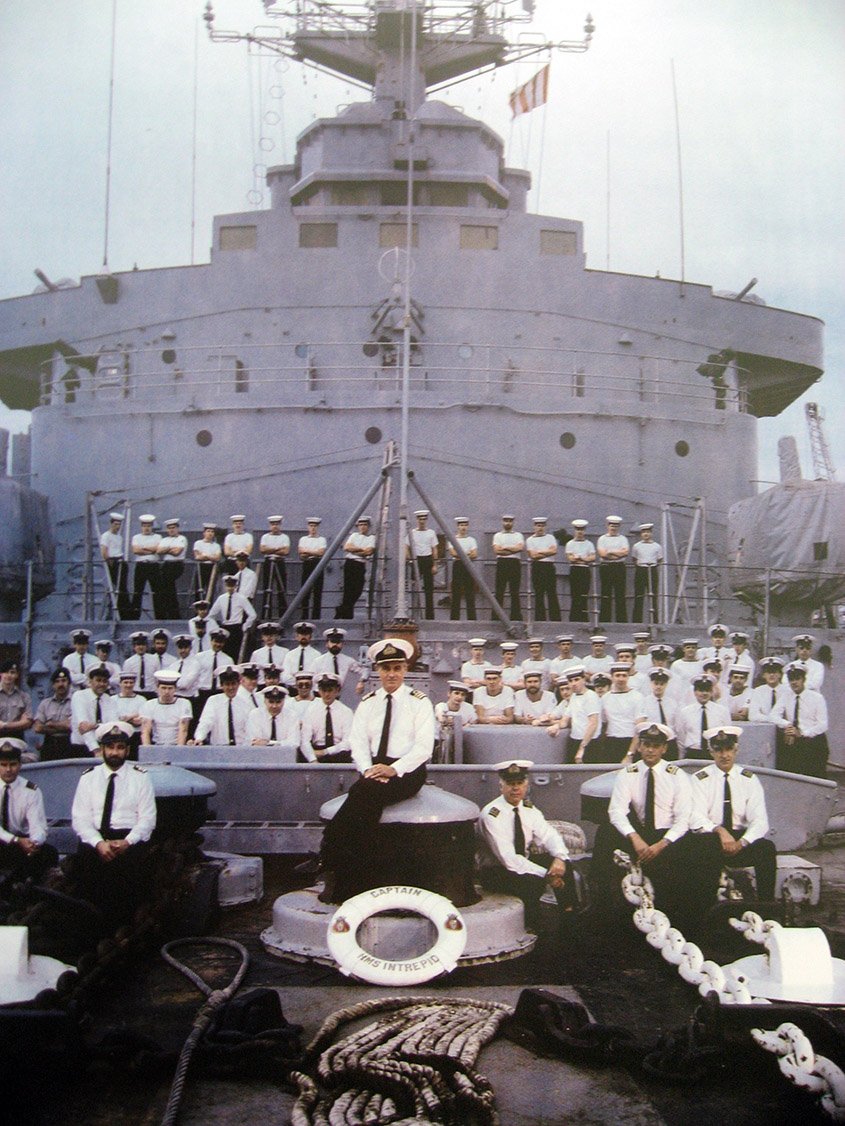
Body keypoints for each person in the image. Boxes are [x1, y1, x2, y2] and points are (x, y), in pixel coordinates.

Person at [318, 638, 434, 903]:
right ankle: (354, 876)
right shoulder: (368, 702)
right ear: (377, 671)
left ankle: (330, 852)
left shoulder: (419, 702)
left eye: (396, 667)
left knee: (362, 793)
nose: (391, 674)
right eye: (385, 668)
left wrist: (393, 769)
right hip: (373, 769)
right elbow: (357, 743)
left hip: (407, 770)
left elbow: (423, 748)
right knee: (367, 804)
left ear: (405, 669)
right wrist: (368, 768)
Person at [590, 722, 721, 931]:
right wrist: (634, 838)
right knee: (605, 832)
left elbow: (683, 818)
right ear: (640, 746)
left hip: (668, 836)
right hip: (640, 834)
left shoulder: (676, 775)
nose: (650, 749)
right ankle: (601, 904)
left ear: (664, 748)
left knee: (706, 843)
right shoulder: (628, 774)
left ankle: (701, 912)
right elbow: (616, 811)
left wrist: (661, 844)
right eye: (646, 744)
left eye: (656, 745)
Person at [70, 721, 157, 925]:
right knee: (86, 884)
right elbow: (80, 819)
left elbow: (147, 819)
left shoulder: (140, 778)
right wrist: (99, 843)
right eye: (110, 747)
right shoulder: (88, 778)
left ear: (127, 750)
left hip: (128, 840)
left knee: (129, 887)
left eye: (120, 747)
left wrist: (128, 842)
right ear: (102, 749)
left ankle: (125, 931)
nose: (115, 752)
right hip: (96, 839)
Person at [476, 759, 570, 930]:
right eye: (510, 783)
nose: (515, 788)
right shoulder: (492, 815)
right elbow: (509, 859)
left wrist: (559, 858)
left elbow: (548, 834)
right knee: (531, 882)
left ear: (526, 785)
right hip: (496, 871)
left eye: (520, 783)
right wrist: (546, 874)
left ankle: (568, 916)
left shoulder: (528, 809)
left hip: (522, 862)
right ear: (501, 785)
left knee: (565, 867)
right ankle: (530, 927)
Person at [690, 725, 777, 900]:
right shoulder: (700, 779)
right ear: (710, 751)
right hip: (712, 838)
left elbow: (760, 821)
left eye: (729, 749)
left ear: (736, 749)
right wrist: (719, 831)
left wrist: (742, 842)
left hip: (740, 839)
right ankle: (706, 905)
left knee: (767, 849)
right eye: (719, 750)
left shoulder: (749, 779)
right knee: (699, 848)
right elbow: (695, 817)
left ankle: (766, 906)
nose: (724, 755)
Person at [0, 738, 57, 883]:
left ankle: (24, 895)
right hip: (6, 839)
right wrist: (16, 840)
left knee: (48, 853)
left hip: (19, 842)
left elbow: (38, 826)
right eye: (3, 765)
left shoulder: (31, 790)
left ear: (19, 765)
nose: (8, 769)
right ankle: (8, 889)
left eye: (12, 764)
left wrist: (34, 843)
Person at [771, 661, 829, 777]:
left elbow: (823, 725)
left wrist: (802, 733)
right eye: (791, 679)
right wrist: (788, 725)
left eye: (797, 678)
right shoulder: (786, 696)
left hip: (814, 742)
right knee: (793, 776)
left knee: (815, 777)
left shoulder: (817, 698)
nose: (794, 682)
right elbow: (773, 716)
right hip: (795, 743)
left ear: (803, 679)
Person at [545, 665, 600, 763]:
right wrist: (556, 726)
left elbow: (593, 724)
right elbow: (565, 721)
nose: (573, 683)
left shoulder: (591, 696)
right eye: (571, 681)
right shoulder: (574, 696)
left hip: (589, 743)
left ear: (584, 679)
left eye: (576, 679)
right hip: (574, 740)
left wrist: (582, 748)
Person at [597, 663, 646, 763]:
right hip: (611, 743)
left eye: (624, 675)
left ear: (628, 677)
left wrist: (630, 754)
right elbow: (603, 724)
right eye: (617, 675)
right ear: (612, 677)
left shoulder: (637, 697)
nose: (621, 679)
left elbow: (640, 728)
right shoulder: (605, 698)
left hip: (631, 742)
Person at [300, 673, 354, 762]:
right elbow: (305, 740)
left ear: (337, 690)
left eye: (330, 690)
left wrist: (326, 751)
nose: (326, 694)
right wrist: (312, 759)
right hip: (316, 752)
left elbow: (348, 741)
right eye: (323, 690)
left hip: (339, 753)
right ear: (319, 691)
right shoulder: (311, 710)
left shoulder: (346, 712)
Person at [675, 674, 731, 757]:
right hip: (693, 753)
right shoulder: (685, 712)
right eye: (701, 690)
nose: (704, 693)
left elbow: (727, 734)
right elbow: (681, 736)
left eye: (707, 690)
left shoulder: (722, 711)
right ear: (694, 692)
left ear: (712, 692)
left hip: (715, 753)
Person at [193, 668, 252, 746]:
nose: (231, 687)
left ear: (238, 684)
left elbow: (250, 728)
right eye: (227, 684)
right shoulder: (213, 701)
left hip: (240, 747)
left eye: (233, 684)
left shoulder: (246, 703)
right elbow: (206, 722)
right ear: (221, 685)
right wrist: (199, 738)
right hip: (219, 747)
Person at [71, 666, 118, 754]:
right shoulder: (79, 696)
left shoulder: (110, 700)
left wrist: (95, 725)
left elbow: (114, 726)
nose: (102, 684)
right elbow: (84, 727)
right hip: (82, 748)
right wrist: (95, 749)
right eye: (98, 680)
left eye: (105, 681)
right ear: (90, 681)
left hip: (104, 746)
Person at [336, 516, 376, 619]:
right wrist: (362, 551)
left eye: (365, 525)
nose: (362, 527)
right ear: (358, 526)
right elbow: (347, 547)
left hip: (360, 565)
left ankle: (341, 611)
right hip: (350, 564)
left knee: (357, 590)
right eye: (361, 525)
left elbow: (369, 551)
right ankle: (347, 615)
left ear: (368, 526)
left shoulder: (371, 538)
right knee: (348, 591)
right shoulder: (354, 535)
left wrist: (355, 550)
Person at [209, 574, 257, 660]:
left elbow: (252, 614)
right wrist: (216, 627)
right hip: (225, 628)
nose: (230, 588)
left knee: (235, 653)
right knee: (223, 653)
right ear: (225, 586)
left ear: (236, 586)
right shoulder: (221, 598)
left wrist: (245, 626)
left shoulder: (241, 598)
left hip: (236, 628)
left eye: (232, 586)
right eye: (228, 586)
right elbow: (211, 614)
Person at [140, 670, 191, 745]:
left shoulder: (184, 703)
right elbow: (145, 731)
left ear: (175, 689)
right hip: (157, 744)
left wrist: (179, 750)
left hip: (176, 745)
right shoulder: (149, 704)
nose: (167, 691)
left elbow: (183, 729)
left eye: (170, 688)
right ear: (158, 688)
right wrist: (147, 750)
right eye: (163, 688)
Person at [33, 668, 74, 761]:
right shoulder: (45, 704)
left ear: (69, 683)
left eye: (64, 681)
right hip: (49, 744)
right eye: (57, 681)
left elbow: (71, 726)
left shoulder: (75, 702)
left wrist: (51, 724)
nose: (61, 684)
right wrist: (62, 726)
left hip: (69, 745)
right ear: (53, 685)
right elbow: (38, 728)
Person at [526, 516, 560, 621]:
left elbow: (554, 551)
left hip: (549, 567)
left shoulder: (550, 538)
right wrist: (546, 552)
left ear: (545, 527)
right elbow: (533, 556)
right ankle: (540, 619)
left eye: (542, 526)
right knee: (539, 594)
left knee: (552, 593)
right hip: (537, 567)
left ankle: (555, 619)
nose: (540, 528)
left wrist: (540, 552)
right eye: (538, 525)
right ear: (534, 527)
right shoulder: (530, 540)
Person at [312, 627, 366, 694]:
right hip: (321, 695)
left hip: (338, 695)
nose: (335, 645)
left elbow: (364, 670)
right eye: (332, 642)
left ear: (342, 644)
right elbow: (312, 682)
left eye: (338, 642)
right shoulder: (318, 661)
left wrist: (361, 681)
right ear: (327, 644)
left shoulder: (348, 660)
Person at [408, 509, 439, 619]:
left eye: (424, 519)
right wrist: (410, 559)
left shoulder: (431, 533)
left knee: (429, 589)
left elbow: (434, 548)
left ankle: (430, 616)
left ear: (426, 520)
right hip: (416, 560)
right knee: (414, 588)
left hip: (427, 560)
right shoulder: (412, 533)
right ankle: (413, 615)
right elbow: (406, 546)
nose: (422, 521)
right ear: (417, 520)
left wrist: (435, 564)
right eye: (420, 519)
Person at [597, 515, 629, 623]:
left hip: (619, 567)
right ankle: (604, 621)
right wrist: (617, 553)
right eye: (611, 525)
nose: (613, 528)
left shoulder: (623, 539)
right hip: (606, 567)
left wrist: (610, 552)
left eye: (616, 526)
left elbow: (625, 553)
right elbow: (602, 554)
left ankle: (622, 621)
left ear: (619, 526)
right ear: (607, 525)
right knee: (606, 594)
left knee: (620, 594)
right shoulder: (602, 539)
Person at [99, 511, 131, 618]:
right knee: (118, 587)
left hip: (121, 561)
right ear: (111, 524)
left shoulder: (119, 537)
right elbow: (104, 551)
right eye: (115, 524)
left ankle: (125, 611)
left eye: (119, 524)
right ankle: (123, 611)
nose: (117, 526)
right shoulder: (106, 536)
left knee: (122, 587)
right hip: (113, 562)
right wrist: (109, 562)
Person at [492, 514, 524, 621]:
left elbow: (520, 548)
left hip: (514, 563)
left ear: (513, 522)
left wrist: (505, 548)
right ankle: (496, 617)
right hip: (502, 563)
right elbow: (497, 550)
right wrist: (512, 549)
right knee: (499, 590)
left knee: (514, 591)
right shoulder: (497, 535)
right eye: (506, 521)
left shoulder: (518, 535)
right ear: (502, 522)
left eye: (510, 521)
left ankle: (516, 617)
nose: (508, 523)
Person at [130, 513, 161, 619]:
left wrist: (143, 549)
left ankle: (159, 617)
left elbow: (158, 549)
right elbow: (135, 550)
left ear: (152, 526)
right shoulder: (136, 537)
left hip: (154, 566)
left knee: (157, 592)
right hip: (141, 566)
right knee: (137, 591)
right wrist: (151, 550)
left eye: (149, 526)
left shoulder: (158, 537)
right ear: (141, 526)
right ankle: (134, 617)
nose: (146, 528)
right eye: (144, 526)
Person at [631, 522, 663, 623]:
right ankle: (637, 620)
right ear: (641, 534)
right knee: (639, 596)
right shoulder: (636, 546)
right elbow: (634, 559)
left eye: (648, 532)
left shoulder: (657, 546)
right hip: (641, 570)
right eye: (644, 532)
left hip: (652, 570)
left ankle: (654, 620)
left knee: (653, 596)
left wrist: (652, 565)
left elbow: (660, 560)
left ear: (651, 533)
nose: (646, 534)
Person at [156, 518, 188, 618]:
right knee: (165, 589)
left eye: (173, 528)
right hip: (166, 565)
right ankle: (167, 613)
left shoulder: (182, 538)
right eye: (169, 528)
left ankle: (173, 614)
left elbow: (177, 552)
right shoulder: (164, 539)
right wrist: (170, 549)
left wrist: (166, 549)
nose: (171, 530)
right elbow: (159, 551)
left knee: (168, 587)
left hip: (176, 565)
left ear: (177, 528)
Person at [258, 515, 289, 615]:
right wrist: (278, 549)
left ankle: (282, 613)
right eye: (273, 524)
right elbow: (262, 550)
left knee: (281, 588)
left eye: (277, 524)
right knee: (267, 587)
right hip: (268, 562)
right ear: (270, 525)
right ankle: (266, 614)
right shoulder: (265, 537)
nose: (275, 526)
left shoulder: (284, 537)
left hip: (280, 562)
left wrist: (270, 549)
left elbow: (286, 551)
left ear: (280, 525)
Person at [564, 519, 594, 622]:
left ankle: (584, 619)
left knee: (584, 595)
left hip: (585, 570)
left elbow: (592, 557)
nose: (580, 532)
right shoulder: (570, 544)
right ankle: (574, 619)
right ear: (574, 530)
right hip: (575, 570)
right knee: (575, 595)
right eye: (578, 529)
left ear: (584, 530)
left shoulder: (589, 544)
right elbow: (570, 558)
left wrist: (579, 558)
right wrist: (584, 558)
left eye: (582, 529)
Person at [449, 516, 478, 621]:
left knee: (470, 592)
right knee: (456, 592)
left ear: (468, 526)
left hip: (468, 566)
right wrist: (467, 553)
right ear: (458, 526)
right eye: (461, 525)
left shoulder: (472, 540)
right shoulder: (453, 539)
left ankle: (472, 619)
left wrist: (460, 554)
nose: (463, 527)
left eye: (465, 525)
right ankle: (454, 619)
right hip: (457, 565)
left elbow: (475, 554)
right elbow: (452, 553)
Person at [298, 517, 327, 619]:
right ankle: (304, 616)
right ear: (308, 527)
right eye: (311, 526)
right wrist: (314, 552)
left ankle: (316, 617)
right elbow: (301, 553)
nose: (313, 528)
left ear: (318, 527)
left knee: (317, 592)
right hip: (307, 564)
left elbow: (321, 553)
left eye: (315, 526)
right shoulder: (303, 539)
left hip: (318, 564)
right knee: (305, 591)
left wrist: (308, 552)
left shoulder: (321, 539)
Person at [434, 681, 477, 746]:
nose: (459, 697)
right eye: (456, 693)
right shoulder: (441, 706)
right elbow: (441, 718)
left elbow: (474, 722)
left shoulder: (468, 708)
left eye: (463, 694)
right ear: (449, 694)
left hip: (460, 741)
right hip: (439, 742)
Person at [748, 656, 786, 722]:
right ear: (763, 675)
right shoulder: (758, 691)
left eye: (774, 672)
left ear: (780, 674)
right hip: (765, 726)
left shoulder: (787, 691)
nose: (771, 675)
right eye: (768, 672)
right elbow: (753, 715)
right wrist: (774, 720)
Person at [122, 630, 158, 697]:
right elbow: (127, 680)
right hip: (136, 693)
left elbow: (157, 678)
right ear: (134, 646)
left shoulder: (154, 660)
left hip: (151, 693)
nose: (141, 647)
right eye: (138, 644)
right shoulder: (128, 662)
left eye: (143, 644)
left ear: (146, 645)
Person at [192, 522, 221, 601]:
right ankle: (198, 611)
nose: (210, 533)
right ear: (204, 533)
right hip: (201, 567)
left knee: (210, 590)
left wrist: (206, 556)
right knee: (199, 589)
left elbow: (217, 558)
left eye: (212, 532)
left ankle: (209, 610)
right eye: (208, 531)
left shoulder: (216, 546)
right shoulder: (198, 543)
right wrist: (211, 557)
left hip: (212, 568)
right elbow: (197, 557)